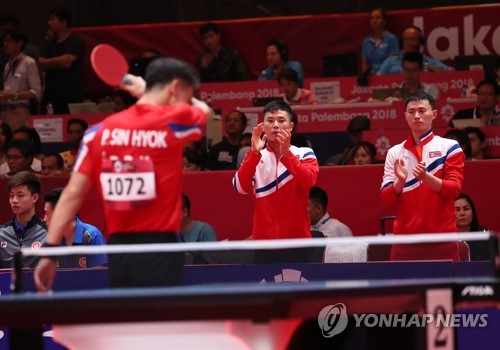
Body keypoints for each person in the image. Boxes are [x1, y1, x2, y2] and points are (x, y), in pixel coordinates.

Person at [34, 57, 212, 291]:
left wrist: (49, 250)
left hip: (118, 248)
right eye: (186, 95)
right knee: (162, 324)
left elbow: (72, 195)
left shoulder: (97, 133)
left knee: (128, 321)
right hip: (161, 246)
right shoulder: (172, 122)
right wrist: (143, 91)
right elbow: (205, 111)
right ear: (175, 88)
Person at [380, 91, 465, 261]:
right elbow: (386, 199)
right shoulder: (394, 152)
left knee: (444, 288)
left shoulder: (450, 147)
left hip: (442, 240)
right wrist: (400, 182)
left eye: (422, 110)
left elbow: (454, 189)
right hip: (405, 242)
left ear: (434, 114)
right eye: (411, 112)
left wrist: (427, 178)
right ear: (405, 116)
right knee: (404, 288)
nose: (416, 116)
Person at [233, 100, 319, 240]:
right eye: (270, 120)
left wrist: (287, 155)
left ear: (291, 126)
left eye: (281, 120)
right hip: (263, 244)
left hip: (298, 242)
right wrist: (254, 152)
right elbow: (239, 187)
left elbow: (309, 181)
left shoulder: (304, 153)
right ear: (263, 126)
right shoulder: (255, 157)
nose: (275, 125)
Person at [42, 187, 107, 268]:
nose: (44, 219)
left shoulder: (92, 236)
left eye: (47, 214)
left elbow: (98, 277)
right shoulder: (51, 241)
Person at [39, 7, 85, 114]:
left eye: (52, 19)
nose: (49, 23)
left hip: (70, 94)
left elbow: (66, 62)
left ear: (63, 22)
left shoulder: (76, 41)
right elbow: (40, 63)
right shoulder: (49, 43)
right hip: (51, 94)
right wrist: (57, 61)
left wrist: (50, 63)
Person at [0, 171, 46, 268]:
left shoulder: (48, 232)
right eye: (11, 196)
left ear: (34, 198)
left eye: (20, 195)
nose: (14, 201)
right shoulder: (1, 233)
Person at [0, 28, 42, 132]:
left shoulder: (29, 62)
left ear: (20, 43)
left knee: (18, 141)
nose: (5, 44)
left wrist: (13, 95)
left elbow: (36, 92)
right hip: (4, 110)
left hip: (19, 110)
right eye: (4, 41)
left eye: (9, 41)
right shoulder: (7, 64)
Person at [376, 26, 451, 75]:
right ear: (402, 42)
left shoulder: (429, 61)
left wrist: (430, 69)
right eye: (407, 39)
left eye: (413, 39)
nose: (410, 42)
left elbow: (450, 71)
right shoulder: (390, 61)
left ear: (420, 41)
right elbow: (378, 77)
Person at [360, 8, 399, 75]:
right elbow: (364, 62)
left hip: (387, 75)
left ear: (384, 21)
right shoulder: (366, 41)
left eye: (378, 18)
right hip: (370, 77)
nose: (374, 20)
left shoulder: (391, 38)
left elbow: (393, 61)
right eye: (372, 18)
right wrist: (366, 74)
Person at [454, 193, 489, 261]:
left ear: (473, 212)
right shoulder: (446, 239)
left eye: (466, 209)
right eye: (457, 210)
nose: (462, 213)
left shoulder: (484, 235)